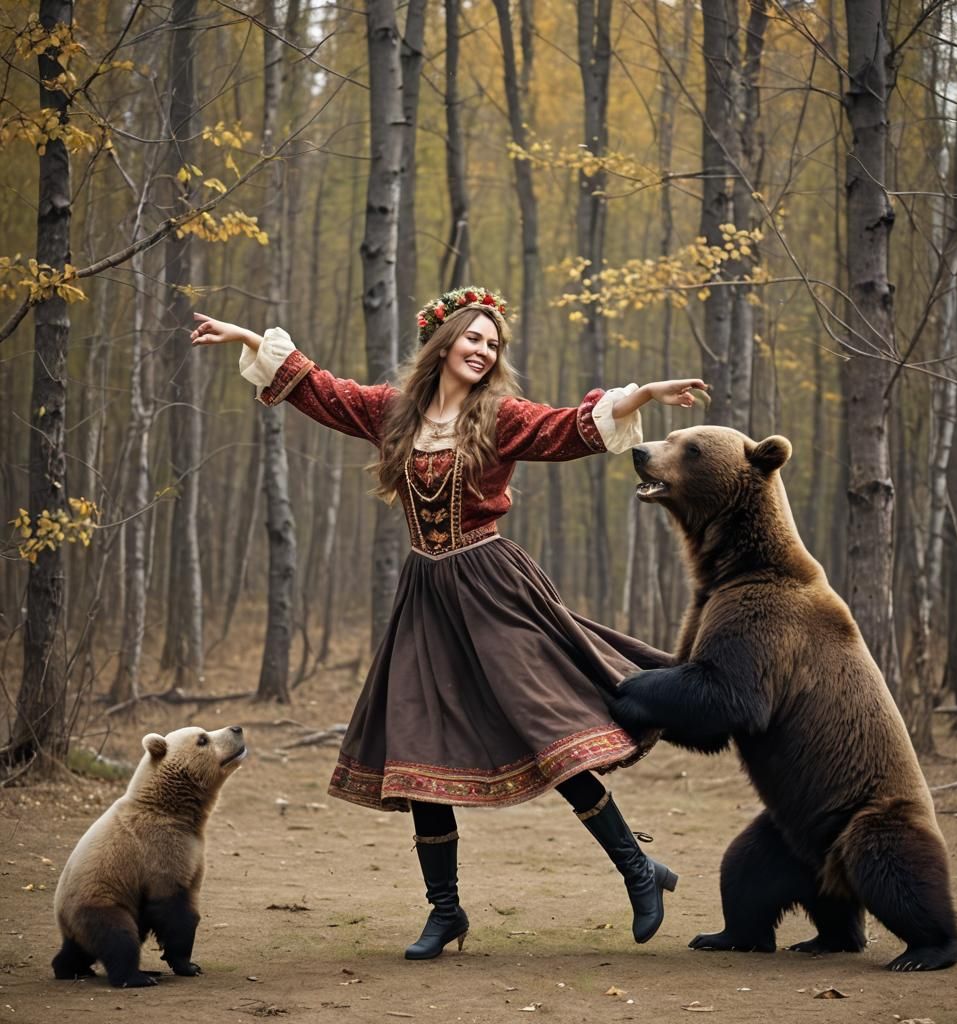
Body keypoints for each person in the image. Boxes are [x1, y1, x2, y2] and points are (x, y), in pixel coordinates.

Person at [191, 286, 707, 960]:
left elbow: (567, 429)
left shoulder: (499, 417)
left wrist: (640, 396)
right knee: (418, 748)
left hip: (493, 589)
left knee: (546, 730)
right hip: (427, 598)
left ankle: (639, 872)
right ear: (445, 341)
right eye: (474, 338)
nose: (483, 351)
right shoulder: (393, 412)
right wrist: (250, 341)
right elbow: (321, 390)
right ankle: (446, 911)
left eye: (493, 345)